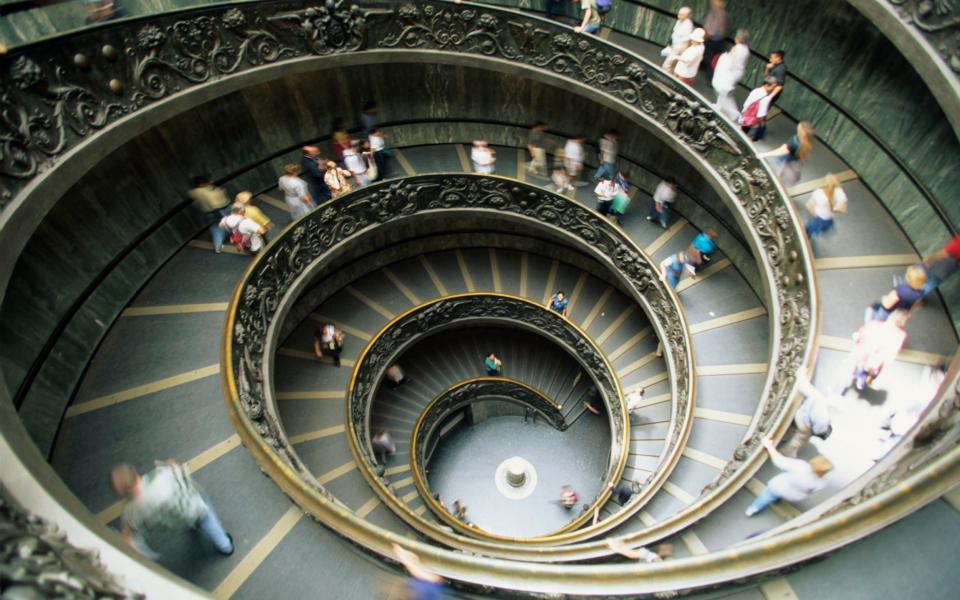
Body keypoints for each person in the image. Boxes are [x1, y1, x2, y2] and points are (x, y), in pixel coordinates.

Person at [110, 461, 234, 559]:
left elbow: (132, 529)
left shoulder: (131, 510)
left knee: (193, 520)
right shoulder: (161, 476)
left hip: (175, 520)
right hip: (193, 507)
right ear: (134, 470)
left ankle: (195, 526)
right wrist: (171, 465)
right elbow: (180, 476)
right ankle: (226, 546)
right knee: (209, 520)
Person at [745, 439, 833, 517]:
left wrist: (769, 446)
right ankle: (776, 499)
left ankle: (753, 509)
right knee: (776, 496)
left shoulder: (801, 467)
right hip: (795, 496)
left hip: (779, 487)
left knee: (766, 497)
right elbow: (811, 492)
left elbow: (779, 461)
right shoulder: (821, 483)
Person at [849, 309, 910, 391]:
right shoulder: (901, 335)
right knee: (871, 371)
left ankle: (858, 375)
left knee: (860, 365)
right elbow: (892, 353)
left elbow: (860, 336)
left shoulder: (874, 324)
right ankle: (864, 379)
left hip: (863, 354)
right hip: (876, 361)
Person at [780, 377, 833, 458]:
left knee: (801, 436)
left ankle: (787, 449)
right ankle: (787, 452)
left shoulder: (819, 400)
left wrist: (801, 375)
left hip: (803, 420)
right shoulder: (822, 416)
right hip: (806, 421)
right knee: (800, 438)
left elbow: (803, 386)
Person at [758, 122, 815, 187]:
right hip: (795, 165)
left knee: (779, 180)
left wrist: (765, 154)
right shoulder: (807, 143)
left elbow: (782, 151)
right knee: (782, 182)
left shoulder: (795, 141)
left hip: (788, 165)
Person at [187, 175, 231, 254]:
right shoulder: (210, 189)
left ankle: (218, 246)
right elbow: (217, 200)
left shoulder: (193, 192)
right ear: (201, 184)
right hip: (221, 209)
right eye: (207, 181)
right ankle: (241, 238)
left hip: (208, 213)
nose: (210, 182)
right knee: (232, 222)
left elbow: (193, 198)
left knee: (215, 229)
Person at [712, 29, 750, 120]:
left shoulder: (736, 48)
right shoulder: (746, 49)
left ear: (737, 38)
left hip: (731, 73)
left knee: (723, 90)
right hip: (738, 73)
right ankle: (721, 106)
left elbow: (730, 62)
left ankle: (732, 112)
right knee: (726, 93)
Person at [803, 173, 847, 240]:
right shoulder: (839, 192)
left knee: (810, 228)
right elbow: (842, 208)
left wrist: (814, 213)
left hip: (819, 217)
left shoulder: (820, 193)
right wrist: (834, 209)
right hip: (828, 218)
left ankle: (806, 236)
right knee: (820, 227)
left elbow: (809, 205)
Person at [739, 77, 778, 142]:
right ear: (767, 85)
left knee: (741, 133)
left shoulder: (756, 90)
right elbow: (760, 116)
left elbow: (746, 104)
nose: (773, 89)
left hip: (744, 116)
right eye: (773, 87)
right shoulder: (765, 99)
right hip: (751, 122)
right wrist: (763, 124)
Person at [661, 7, 693, 73]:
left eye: (681, 15)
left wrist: (681, 54)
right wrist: (670, 44)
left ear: (686, 16)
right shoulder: (679, 21)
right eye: (679, 14)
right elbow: (674, 33)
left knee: (666, 65)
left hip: (679, 48)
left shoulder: (688, 26)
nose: (678, 16)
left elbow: (686, 42)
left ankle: (664, 77)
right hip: (674, 45)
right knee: (672, 65)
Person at [702, 0, 729, 79]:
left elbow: (713, 29)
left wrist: (705, 36)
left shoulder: (717, 13)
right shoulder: (723, 13)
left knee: (708, 57)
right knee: (711, 57)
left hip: (713, 39)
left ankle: (711, 77)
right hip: (718, 39)